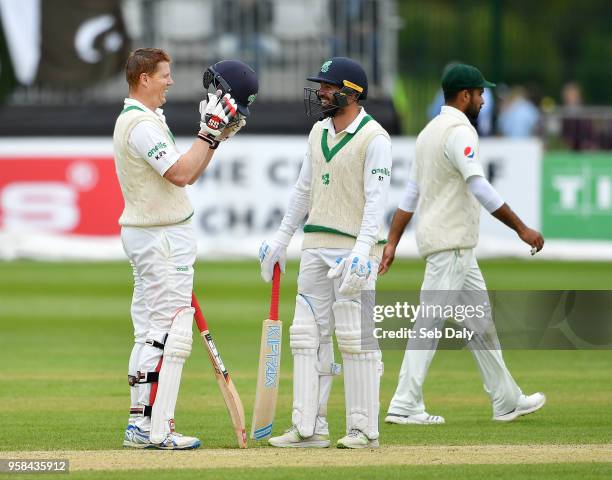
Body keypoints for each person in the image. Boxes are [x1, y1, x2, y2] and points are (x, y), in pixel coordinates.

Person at [380, 63, 546, 426]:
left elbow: (411, 194)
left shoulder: (428, 133)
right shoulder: (460, 132)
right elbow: (479, 186)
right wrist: (521, 228)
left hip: (454, 247)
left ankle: (505, 400)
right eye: (480, 93)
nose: (484, 100)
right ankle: (405, 402)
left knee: (480, 324)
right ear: (465, 95)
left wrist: (392, 241)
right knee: (429, 322)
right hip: (451, 244)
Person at [114, 48, 257, 449]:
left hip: (156, 234)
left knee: (149, 331)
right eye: (164, 75)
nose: (171, 81)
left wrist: (213, 139)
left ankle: (141, 425)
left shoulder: (146, 120)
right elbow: (179, 174)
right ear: (144, 78)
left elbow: (188, 172)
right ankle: (158, 429)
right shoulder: (139, 124)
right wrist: (208, 132)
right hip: (160, 237)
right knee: (168, 331)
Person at [259, 57, 392, 449]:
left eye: (328, 86)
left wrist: (364, 251)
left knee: (355, 337)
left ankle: (364, 429)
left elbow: (376, 200)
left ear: (351, 92)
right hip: (315, 245)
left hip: (354, 251)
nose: (320, 92)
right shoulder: (317, 132)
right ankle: (308, 427)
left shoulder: (376, 138)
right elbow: (303, 190)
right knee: (305, 336)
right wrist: (282, 240)